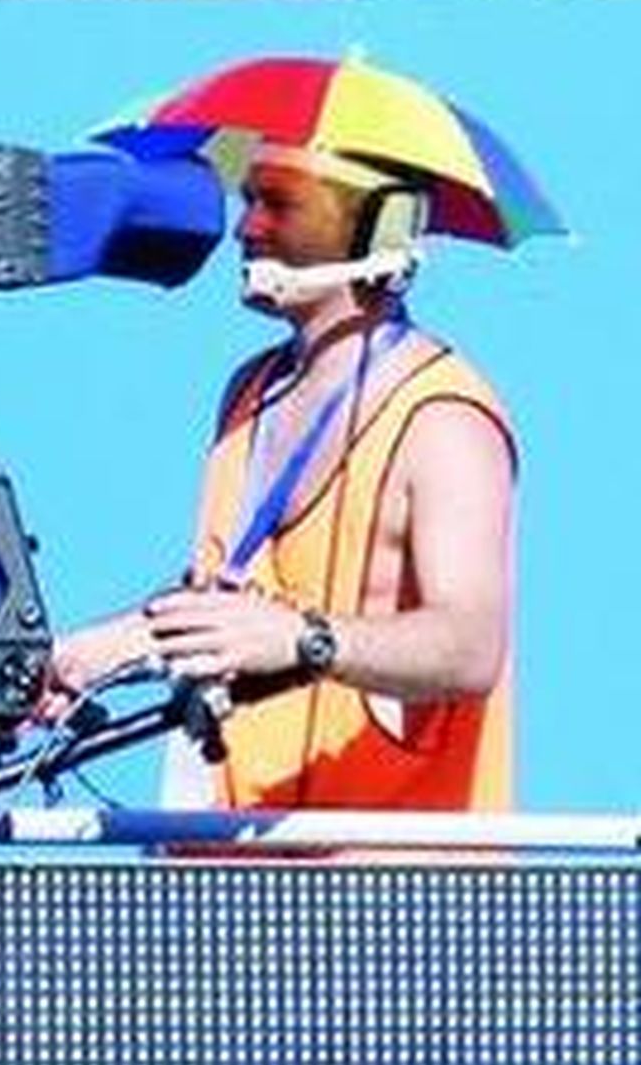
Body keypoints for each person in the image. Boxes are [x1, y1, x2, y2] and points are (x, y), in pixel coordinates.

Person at [42, 137, 516, 811]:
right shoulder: (248, 390)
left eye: (280, 203)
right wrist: (99, 651)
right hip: (234, 874)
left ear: (377, 228)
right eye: (250, 199)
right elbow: (229, 599)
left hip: (393, 890)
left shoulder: (443, 419)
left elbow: (470, 648)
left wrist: (306, 641)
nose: (246, 226)